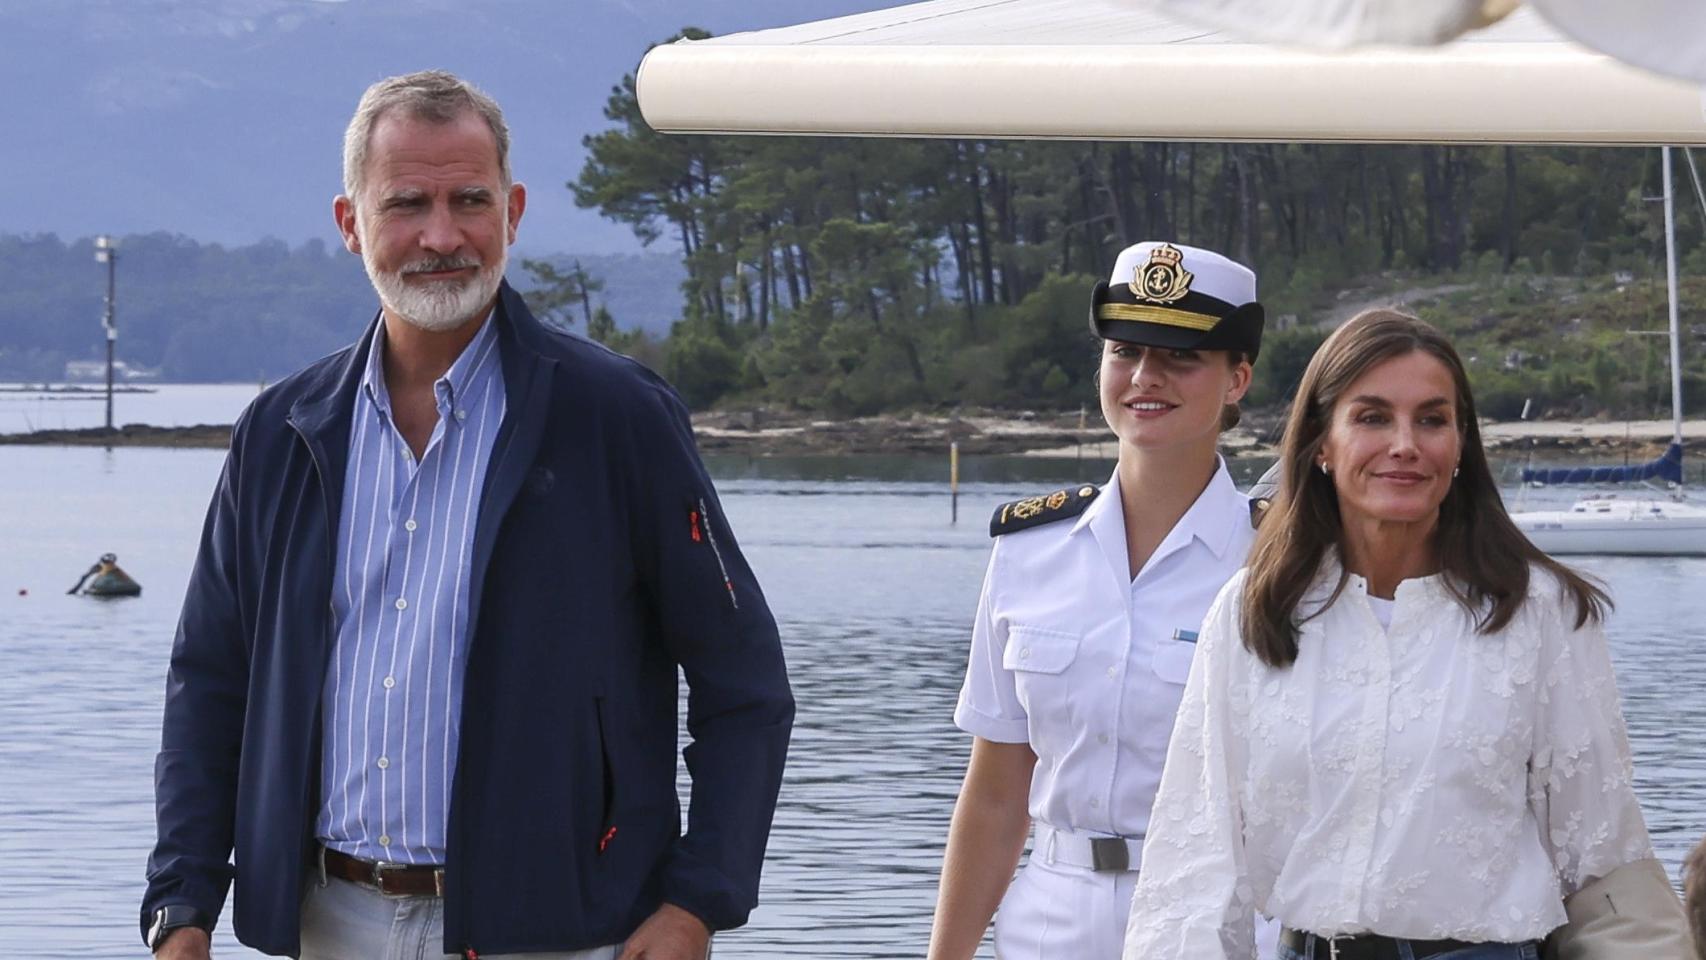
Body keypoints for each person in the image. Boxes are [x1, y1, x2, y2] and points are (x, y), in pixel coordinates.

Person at [140, 71, 793, 960]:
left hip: (561, 930)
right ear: (350, 224)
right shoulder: (280, 433)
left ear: (513, 212)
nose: (441, 235)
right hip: (323, 923)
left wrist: (698, 902)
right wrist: (182, 905)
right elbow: (209, 682)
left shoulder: (616, 418)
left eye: (469, 200)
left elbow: (745, 687)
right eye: (407, 202)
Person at [1123, 309, 1660, 960]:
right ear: (1321, 442)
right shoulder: (1250, 613)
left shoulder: (1542, 614)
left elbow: (1605, 865)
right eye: (1373, 417)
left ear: (1461, 444)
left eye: (1431, 420)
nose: (1405, 443)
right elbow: (1193, 869)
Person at [927, 241, 1279, 960]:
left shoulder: (1281, 562)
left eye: (1180, 357)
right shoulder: (1029, 551)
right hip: (1050, 918)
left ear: (1237, 378)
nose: (1146, 377)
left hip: (1219, 919)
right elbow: (996, 793)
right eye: (1125, 352)